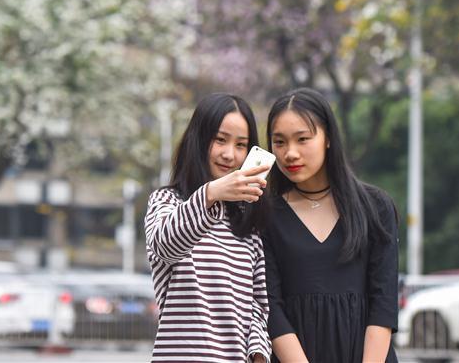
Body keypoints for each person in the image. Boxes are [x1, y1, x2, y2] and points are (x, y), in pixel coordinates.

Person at [263, 88, 399, 363]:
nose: (290, 153)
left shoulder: (375, 207)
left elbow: (383, 305)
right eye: (279, 142)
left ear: (327, 138)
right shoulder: (265, 213)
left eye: (303, 139)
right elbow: (271, 309)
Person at [145, 93, 273, 363]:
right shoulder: (167, 201)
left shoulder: (248, 224)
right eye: (220, 139)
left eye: (241, 145)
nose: (229, 154)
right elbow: (165, 246)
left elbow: (259, 306)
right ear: (199, 139)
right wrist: (211, 194)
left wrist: (259, 353)